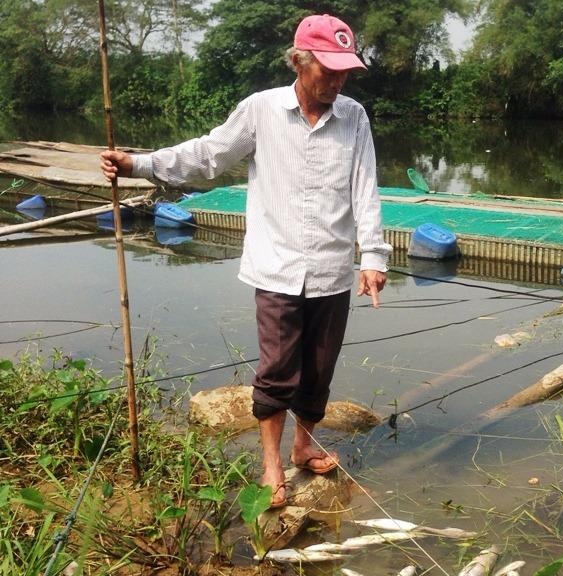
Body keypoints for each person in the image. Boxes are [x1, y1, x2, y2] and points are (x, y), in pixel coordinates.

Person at [101, 13, 392, 509]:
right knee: (278, 370)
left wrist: (372, 256)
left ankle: (304, 446)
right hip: (277, 267)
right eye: (329, 70)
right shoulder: (261, 110)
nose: (338, 81)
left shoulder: (355, 117)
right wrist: (140, 164)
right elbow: (208, 155)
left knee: (319, 369)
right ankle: (271, 464)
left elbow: (365, 188)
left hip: (331, 269)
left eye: (345, 72)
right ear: (299, 62)